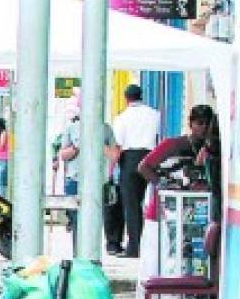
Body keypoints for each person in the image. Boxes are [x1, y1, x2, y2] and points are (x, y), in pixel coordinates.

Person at [135, 104, 218, 299]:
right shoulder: (172, 145)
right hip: (161, 211)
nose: (203, 128)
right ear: (190, 124)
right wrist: (164, 183)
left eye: (207, 124)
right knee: (154, 259)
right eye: (199, 123)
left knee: (180, 260)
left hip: (189, 215)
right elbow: (143, 167)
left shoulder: (209, 152)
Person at [111, 83, 161, 257]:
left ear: (126, 98)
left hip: (130, 159)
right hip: (150, 158)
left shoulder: (122, 118)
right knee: (148, 201)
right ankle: (148, 245)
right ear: (142, 96)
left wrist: (110, 169)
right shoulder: (155, 114)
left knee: (132, 205)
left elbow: (117, 145)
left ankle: (134, 248)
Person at [55, 105, 119, 240]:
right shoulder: (71, 129)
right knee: (76, 220)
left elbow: (114, 155)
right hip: (74, 180)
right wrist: (77, 147)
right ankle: (77, 253)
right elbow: (63, 155)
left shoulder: (106, 129)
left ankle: (91, 254)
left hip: (98, 182)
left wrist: (97, 143)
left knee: (94, 220)